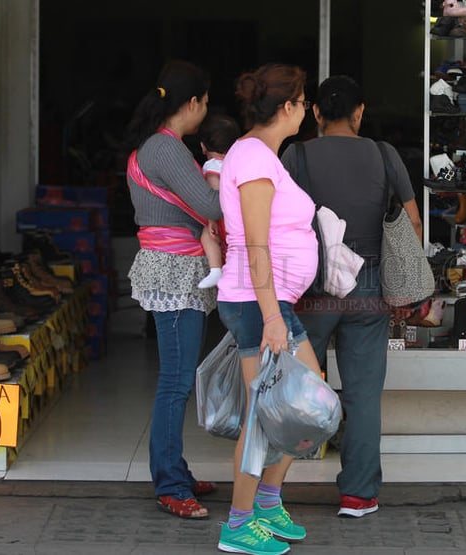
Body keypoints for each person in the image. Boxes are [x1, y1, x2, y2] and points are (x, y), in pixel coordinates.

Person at [279, 75, 422, 518]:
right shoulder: (384, 154)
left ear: (316, 113)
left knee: (290, 384)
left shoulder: (295, 154)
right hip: (369, 285)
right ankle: (358, 494)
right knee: (362, 393)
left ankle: (269, 491)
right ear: (360, 112)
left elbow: (277, 222)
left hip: (311, 285)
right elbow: (413, 224)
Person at [216, 63, 322, 555]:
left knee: (300, 409)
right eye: (303, 101)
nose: (306, 110)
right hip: (260, 303)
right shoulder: (254, 157)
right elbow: (254, 244)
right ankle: (239, 523)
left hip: (268, 300)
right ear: (287, 106)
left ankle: (266, 503)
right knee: (273, 414)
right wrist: (274, 318)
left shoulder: (262, 155)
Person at [124, 60, 221, 520]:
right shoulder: (167, 150)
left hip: (171, 269)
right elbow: (210, 205)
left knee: (176, 379)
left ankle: (173, 469)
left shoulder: (160, 147)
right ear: (193, 103)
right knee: (176, 382)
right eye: (205, 101)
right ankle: (169, 483)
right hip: (176, 272)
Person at [196, 114, 241, 289]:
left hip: (223, 218)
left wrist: (211, 219)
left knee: (207, 235)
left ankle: (216, 270)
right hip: (240, 216)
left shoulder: (212, 166)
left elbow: (215, 198)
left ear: (203, 147)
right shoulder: (237, 162)